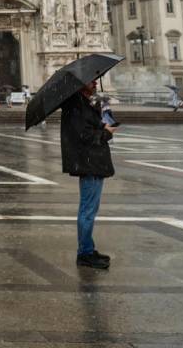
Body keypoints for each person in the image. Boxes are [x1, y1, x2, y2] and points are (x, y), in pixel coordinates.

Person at [60, 78, 117, 269]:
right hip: (89, 161)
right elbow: (84, 135)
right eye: (90, 81)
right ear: (80, 84)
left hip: (93, 161)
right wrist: (106, 133)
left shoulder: (83, 104)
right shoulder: (75, 106)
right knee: (87, 210)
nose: (94, 84)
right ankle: (84, 253)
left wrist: (103, 123)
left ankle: (88, 248)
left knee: (90, 209)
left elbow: (88, 128)